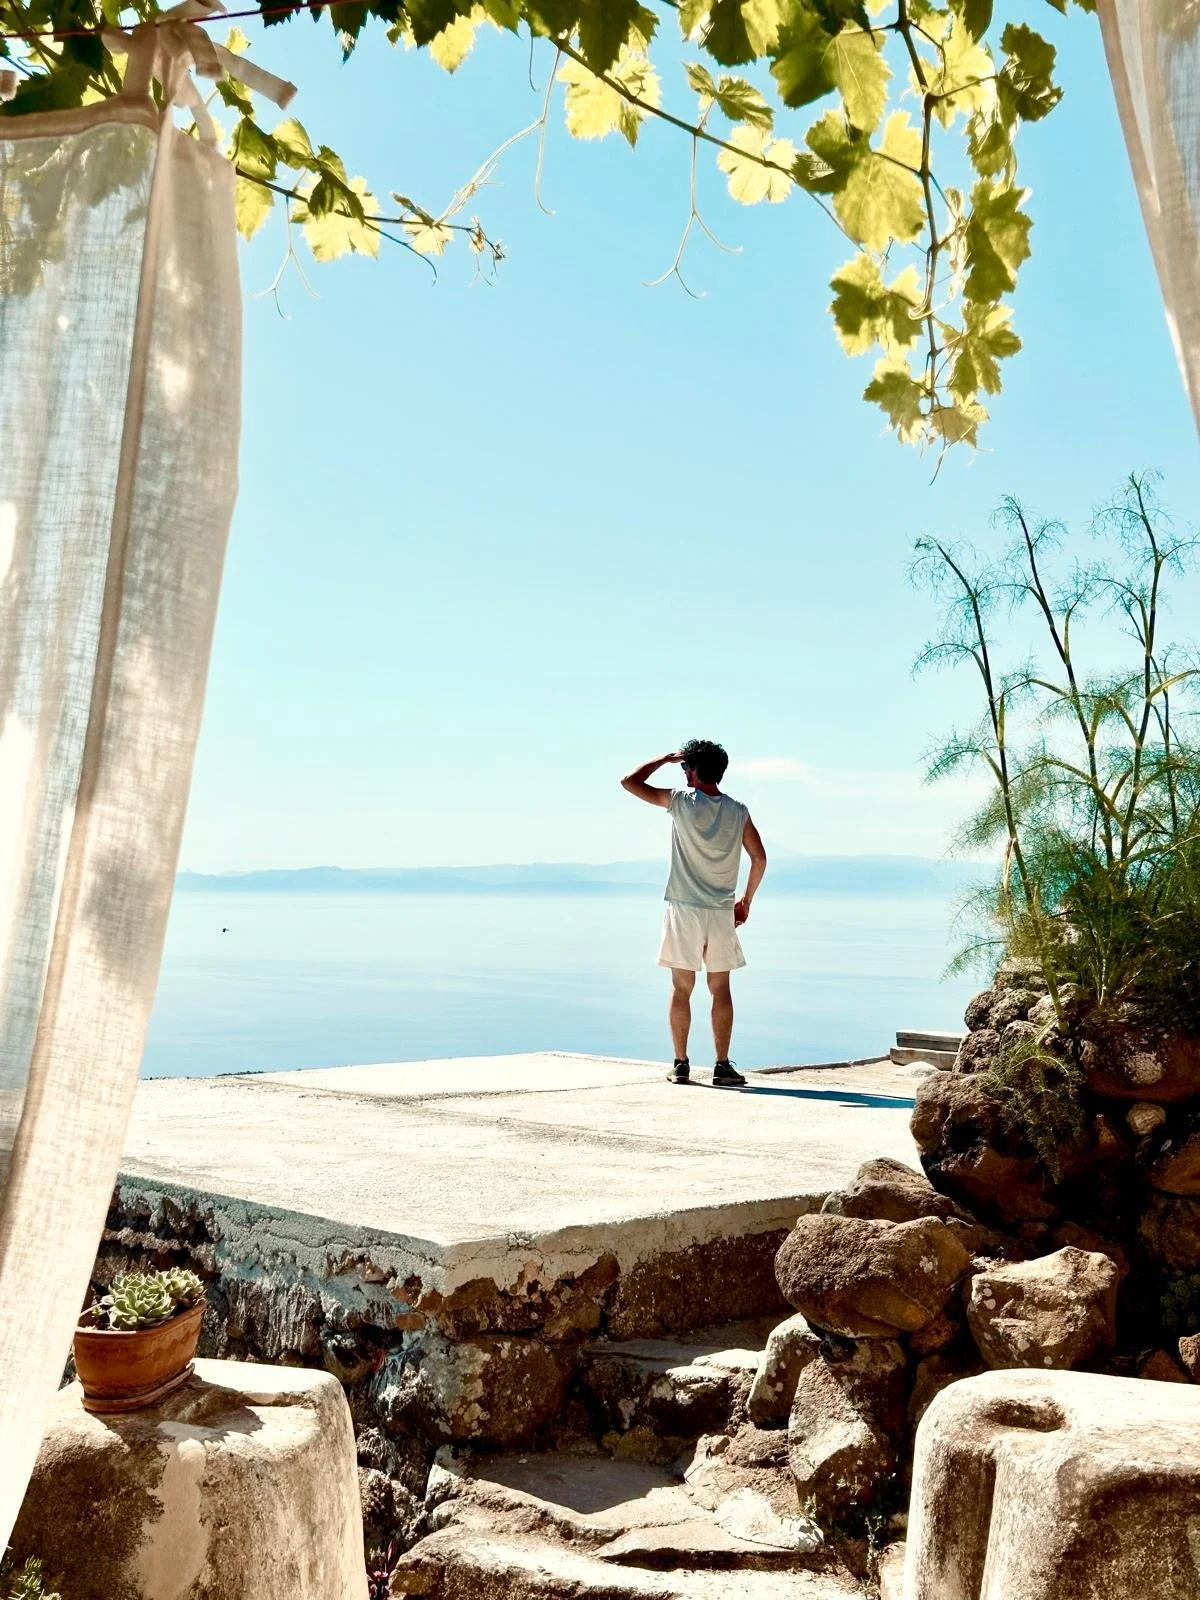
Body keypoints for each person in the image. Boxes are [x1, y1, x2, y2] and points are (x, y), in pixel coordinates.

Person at [620, 739, 767, 1087]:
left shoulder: (680, 801)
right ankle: (722, 1066)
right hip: (721, 911)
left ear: (696, 770)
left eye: (687, 766)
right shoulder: (738, 811)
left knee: (681, 987)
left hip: (684, 908)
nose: (684, 771)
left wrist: (665, 758)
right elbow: (759, 858)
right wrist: (746, 901)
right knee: (720, 988)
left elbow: (629, 782)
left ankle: (681, 1064)